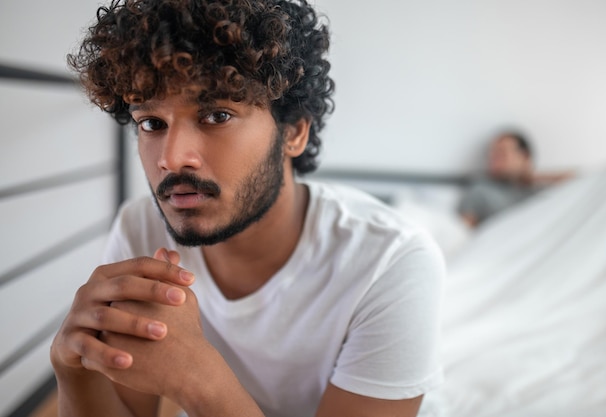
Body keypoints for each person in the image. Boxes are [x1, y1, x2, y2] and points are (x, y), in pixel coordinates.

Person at [50, 1, 445, 416]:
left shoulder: (392, 261)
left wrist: (198, 380)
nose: (172, 157)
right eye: (151, 123)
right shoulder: (140, 227)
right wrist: (72, 368)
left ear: (293, 133)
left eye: (216, 115)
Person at [457, 131, 574, 227]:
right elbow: (462, 232)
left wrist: (530, 176)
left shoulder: (541, 192)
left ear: (525, 156)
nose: (494, 160)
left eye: (502, 153)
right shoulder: (480, 191)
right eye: (492, 155)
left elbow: (578, 183)